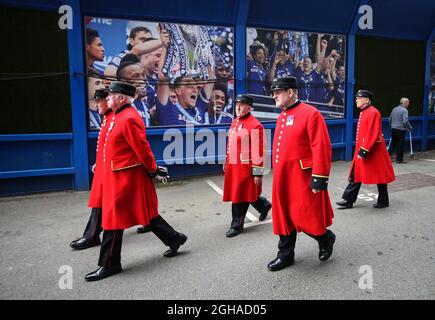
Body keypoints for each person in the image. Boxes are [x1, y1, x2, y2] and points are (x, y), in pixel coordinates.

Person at [85, 81, 187, 282]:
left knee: (114, 220)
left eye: (111, 95)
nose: (107, 98)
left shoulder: (129, 118)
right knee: (146, 215)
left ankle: (110, 264)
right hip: (118, 177)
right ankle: (175, 239)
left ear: (121, 98)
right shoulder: (116, 116)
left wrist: (152, 170)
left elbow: (142, 148)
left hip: (127, 178)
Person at [267, 76, 335, 272]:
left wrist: (319, 178)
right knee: (284, 217)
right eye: (273, 93)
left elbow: (321, 147)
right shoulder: (281, 116)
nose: (274, 97)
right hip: (283, 178)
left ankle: (325, 238)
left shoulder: (311, 114)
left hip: (302, 178)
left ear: (290, 92)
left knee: (306, 217)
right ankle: (285, 255)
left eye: (277, 93)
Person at [336, 90, 395, 209]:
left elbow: (373, 133)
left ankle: (383, 201)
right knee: (356, 174)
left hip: (373, 151)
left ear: (366, 100)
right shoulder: (365, 112)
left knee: (380, 176)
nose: (356, 100)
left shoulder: (373, 112)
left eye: (359, 98)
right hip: (367, 149)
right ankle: (348, 200)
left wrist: (363, 150)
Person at [223, 94, 272, 237]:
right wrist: (227, 161)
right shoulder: (235, 122)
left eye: (242, 104)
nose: (238, 107)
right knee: (246, 192)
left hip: (246, 167)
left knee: (239, 195)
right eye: (237, 104)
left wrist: (257, 172)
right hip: (234, 165)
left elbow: (259, 151)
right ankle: (264, 205)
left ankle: (236, 225)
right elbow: (231, 144)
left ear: (249, 107)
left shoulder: (255, 125)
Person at [70, 89, 111, 250]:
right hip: (106, 168)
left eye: (99, 100)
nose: (96, 104)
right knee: (100, 203)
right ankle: (91, 235)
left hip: (117, 170)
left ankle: (168, 234)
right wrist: (98, 162)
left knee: (133, 203)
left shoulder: (117, 118)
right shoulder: (107, 118)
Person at [388, 97, 412, 163]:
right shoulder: (404, 110)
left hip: (393, 129)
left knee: (393, 143)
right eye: (408, 102)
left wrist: (392, 125)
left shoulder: (394, 109)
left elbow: (389, 119)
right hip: (400, 129)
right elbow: (405, 121)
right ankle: (399, 159)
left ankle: (387, 157)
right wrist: (409, 127)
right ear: (405, 103)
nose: (408, 104)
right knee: (400, 144)